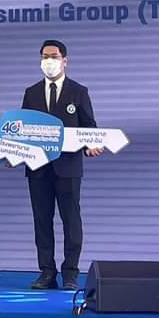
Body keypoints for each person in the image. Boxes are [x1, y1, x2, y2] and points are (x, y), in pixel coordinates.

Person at [21, 39, 103, 291]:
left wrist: (91, 145)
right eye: (45, 57)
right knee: (42, 221)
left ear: (64, 60)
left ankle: (70, 273)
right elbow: (23, 130)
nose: (49, 61)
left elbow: (89, 127)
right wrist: (12, 153)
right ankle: (47, 272)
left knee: (71, 220)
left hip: (68, 168)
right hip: (38, 168)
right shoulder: (31, 92)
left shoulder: (79, 91)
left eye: (54, 56)